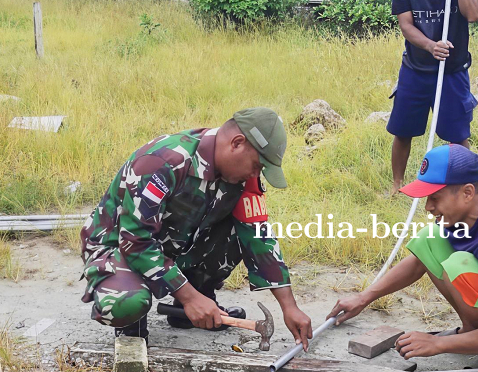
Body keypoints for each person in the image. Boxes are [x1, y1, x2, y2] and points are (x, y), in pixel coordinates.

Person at [79, 107, 313, 348]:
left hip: (174, 244)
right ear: (237, 143)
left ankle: (191, 307)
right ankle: (135, 320)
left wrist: (289, 306)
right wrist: (189, 296)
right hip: (119, 247)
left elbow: (258, 234)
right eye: (256, 165)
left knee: (239, 231)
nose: (256, 174)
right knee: (126, 304)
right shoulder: (163, 162)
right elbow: (136, 241)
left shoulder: (243, 177)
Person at [330, 144, 478, 366]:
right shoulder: (470, 216)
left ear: (467, 193)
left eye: (435, 197)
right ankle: (476, 335)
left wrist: (437, 345)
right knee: (430, 237)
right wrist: (364, 297)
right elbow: (418, 263)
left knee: (460, 267)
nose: (427, 207)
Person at [387, 0, 478, 195]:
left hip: (452, 70)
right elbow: (406, 25)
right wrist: (431, 46)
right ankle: (396, 186)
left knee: (457, 135)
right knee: (402, 130)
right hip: (415, 69)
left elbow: (473, 13)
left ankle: (469, 188)